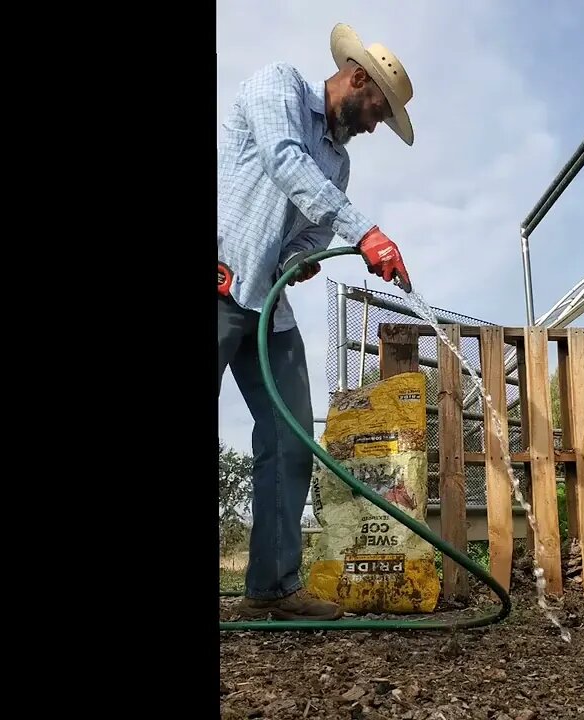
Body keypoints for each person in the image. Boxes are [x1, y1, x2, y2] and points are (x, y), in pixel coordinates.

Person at [217, 23, 414, 621]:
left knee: (291, 433)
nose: (375, 125)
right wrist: (368, 232)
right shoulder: (277, 86)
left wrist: (300, 261)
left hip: (267, 306)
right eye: (379, 110)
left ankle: (272, 588)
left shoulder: (340, 165)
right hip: (221, 276)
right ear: (358, 79)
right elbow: (282, 161)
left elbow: (310, 237)